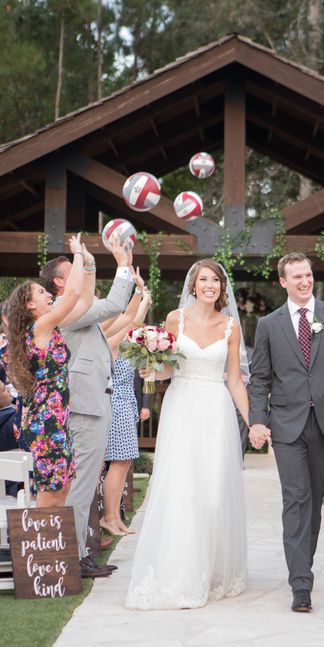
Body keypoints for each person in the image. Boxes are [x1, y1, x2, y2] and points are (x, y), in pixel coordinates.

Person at [127, 259, 253, 609]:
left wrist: (253, 420)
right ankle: (180, 570)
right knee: (181, 489)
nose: (209, 285)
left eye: (215, 280)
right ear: (193, 286)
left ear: (221, 288)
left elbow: (235, 379)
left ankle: (212, 567)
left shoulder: (231, 326)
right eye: (203, 280)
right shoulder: (173, 319)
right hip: (181, 407)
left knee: (213, 492)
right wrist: (150, 364)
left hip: (215, 409)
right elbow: (167, 369)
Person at [248, 253, 324, 613]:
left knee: (313, 503)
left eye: (308, 275)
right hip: (286, 424)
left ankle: (303, 568)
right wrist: (258, 420)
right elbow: (260, 377)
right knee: (295, 500)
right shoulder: (268, 324)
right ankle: (301, 584)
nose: (304, 281)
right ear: (283, 281)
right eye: (296, 276)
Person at [40, 237, 134, 577]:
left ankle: (80, 552)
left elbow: (96, 298)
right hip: (85, 406)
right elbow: (112, 305)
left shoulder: (74, 309)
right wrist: (122, 264)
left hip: (95, 401)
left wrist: (90, 263)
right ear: (61, 282)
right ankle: (75, 558)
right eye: (76, 271)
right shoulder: (64, 310)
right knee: (81, 483)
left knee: (86, 481)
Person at [6, 234, 94, 507]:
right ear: (30, 305)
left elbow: (84, 301)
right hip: (45, 423)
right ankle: (41, 547)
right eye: (42, 293)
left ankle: (54, 548)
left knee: (63, 487)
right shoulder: (40, 327)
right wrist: (77, 254)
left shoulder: (49, 325)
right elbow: (73, 294)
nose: (48, 295)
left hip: (56, 420)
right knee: (49, 493)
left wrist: (88, 266)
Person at [102, 276, 152, 537]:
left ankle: (116, 517)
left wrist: (142, 294)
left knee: (124, 465)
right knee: (118, 464)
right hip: (116, 405)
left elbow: (133, 320)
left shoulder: (123, 344)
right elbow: (132, 321)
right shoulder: (109, 344)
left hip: (125, 404)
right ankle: (109, 518)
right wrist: (141, 296)